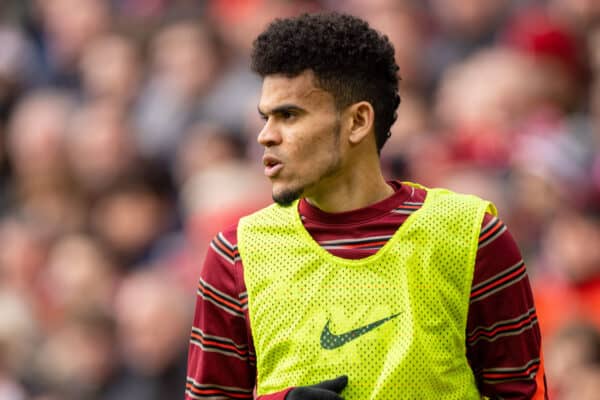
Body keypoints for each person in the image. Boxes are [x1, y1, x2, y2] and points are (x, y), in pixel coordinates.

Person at [185, 12, 547, 399]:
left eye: (288, 115)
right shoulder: (235, 254)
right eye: (265, 117)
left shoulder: (473, 236)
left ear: (358, 121)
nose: (265, 136)